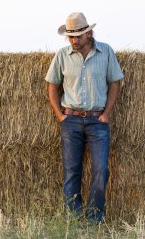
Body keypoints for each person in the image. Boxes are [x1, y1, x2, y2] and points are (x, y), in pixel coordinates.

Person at [45, 12, 124, 222]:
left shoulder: (105, 51)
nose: (74, 40)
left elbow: (114, 83)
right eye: (70, 36)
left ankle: (94, 218)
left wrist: (106, 113)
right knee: (71, 171)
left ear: (89, 33)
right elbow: (52, 86)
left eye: (78, 36)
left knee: (101, 169)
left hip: (98, 121)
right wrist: (59, 115)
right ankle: (73, 217)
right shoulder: (62, 55)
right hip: (70, 121)